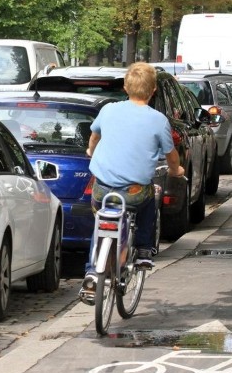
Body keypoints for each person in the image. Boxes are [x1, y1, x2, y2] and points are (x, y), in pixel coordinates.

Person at [79, 62, 184, 305]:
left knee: (100, 220)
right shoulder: (158, 120)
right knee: (151, 198)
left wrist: (91, 151)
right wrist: (175, 170)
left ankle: (92, 272)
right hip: (134, 193)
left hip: (102, 189)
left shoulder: (109, 110)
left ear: (125, 87)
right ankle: (145, 251)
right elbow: (171, 154)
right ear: (153, 90)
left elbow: (94, 136)